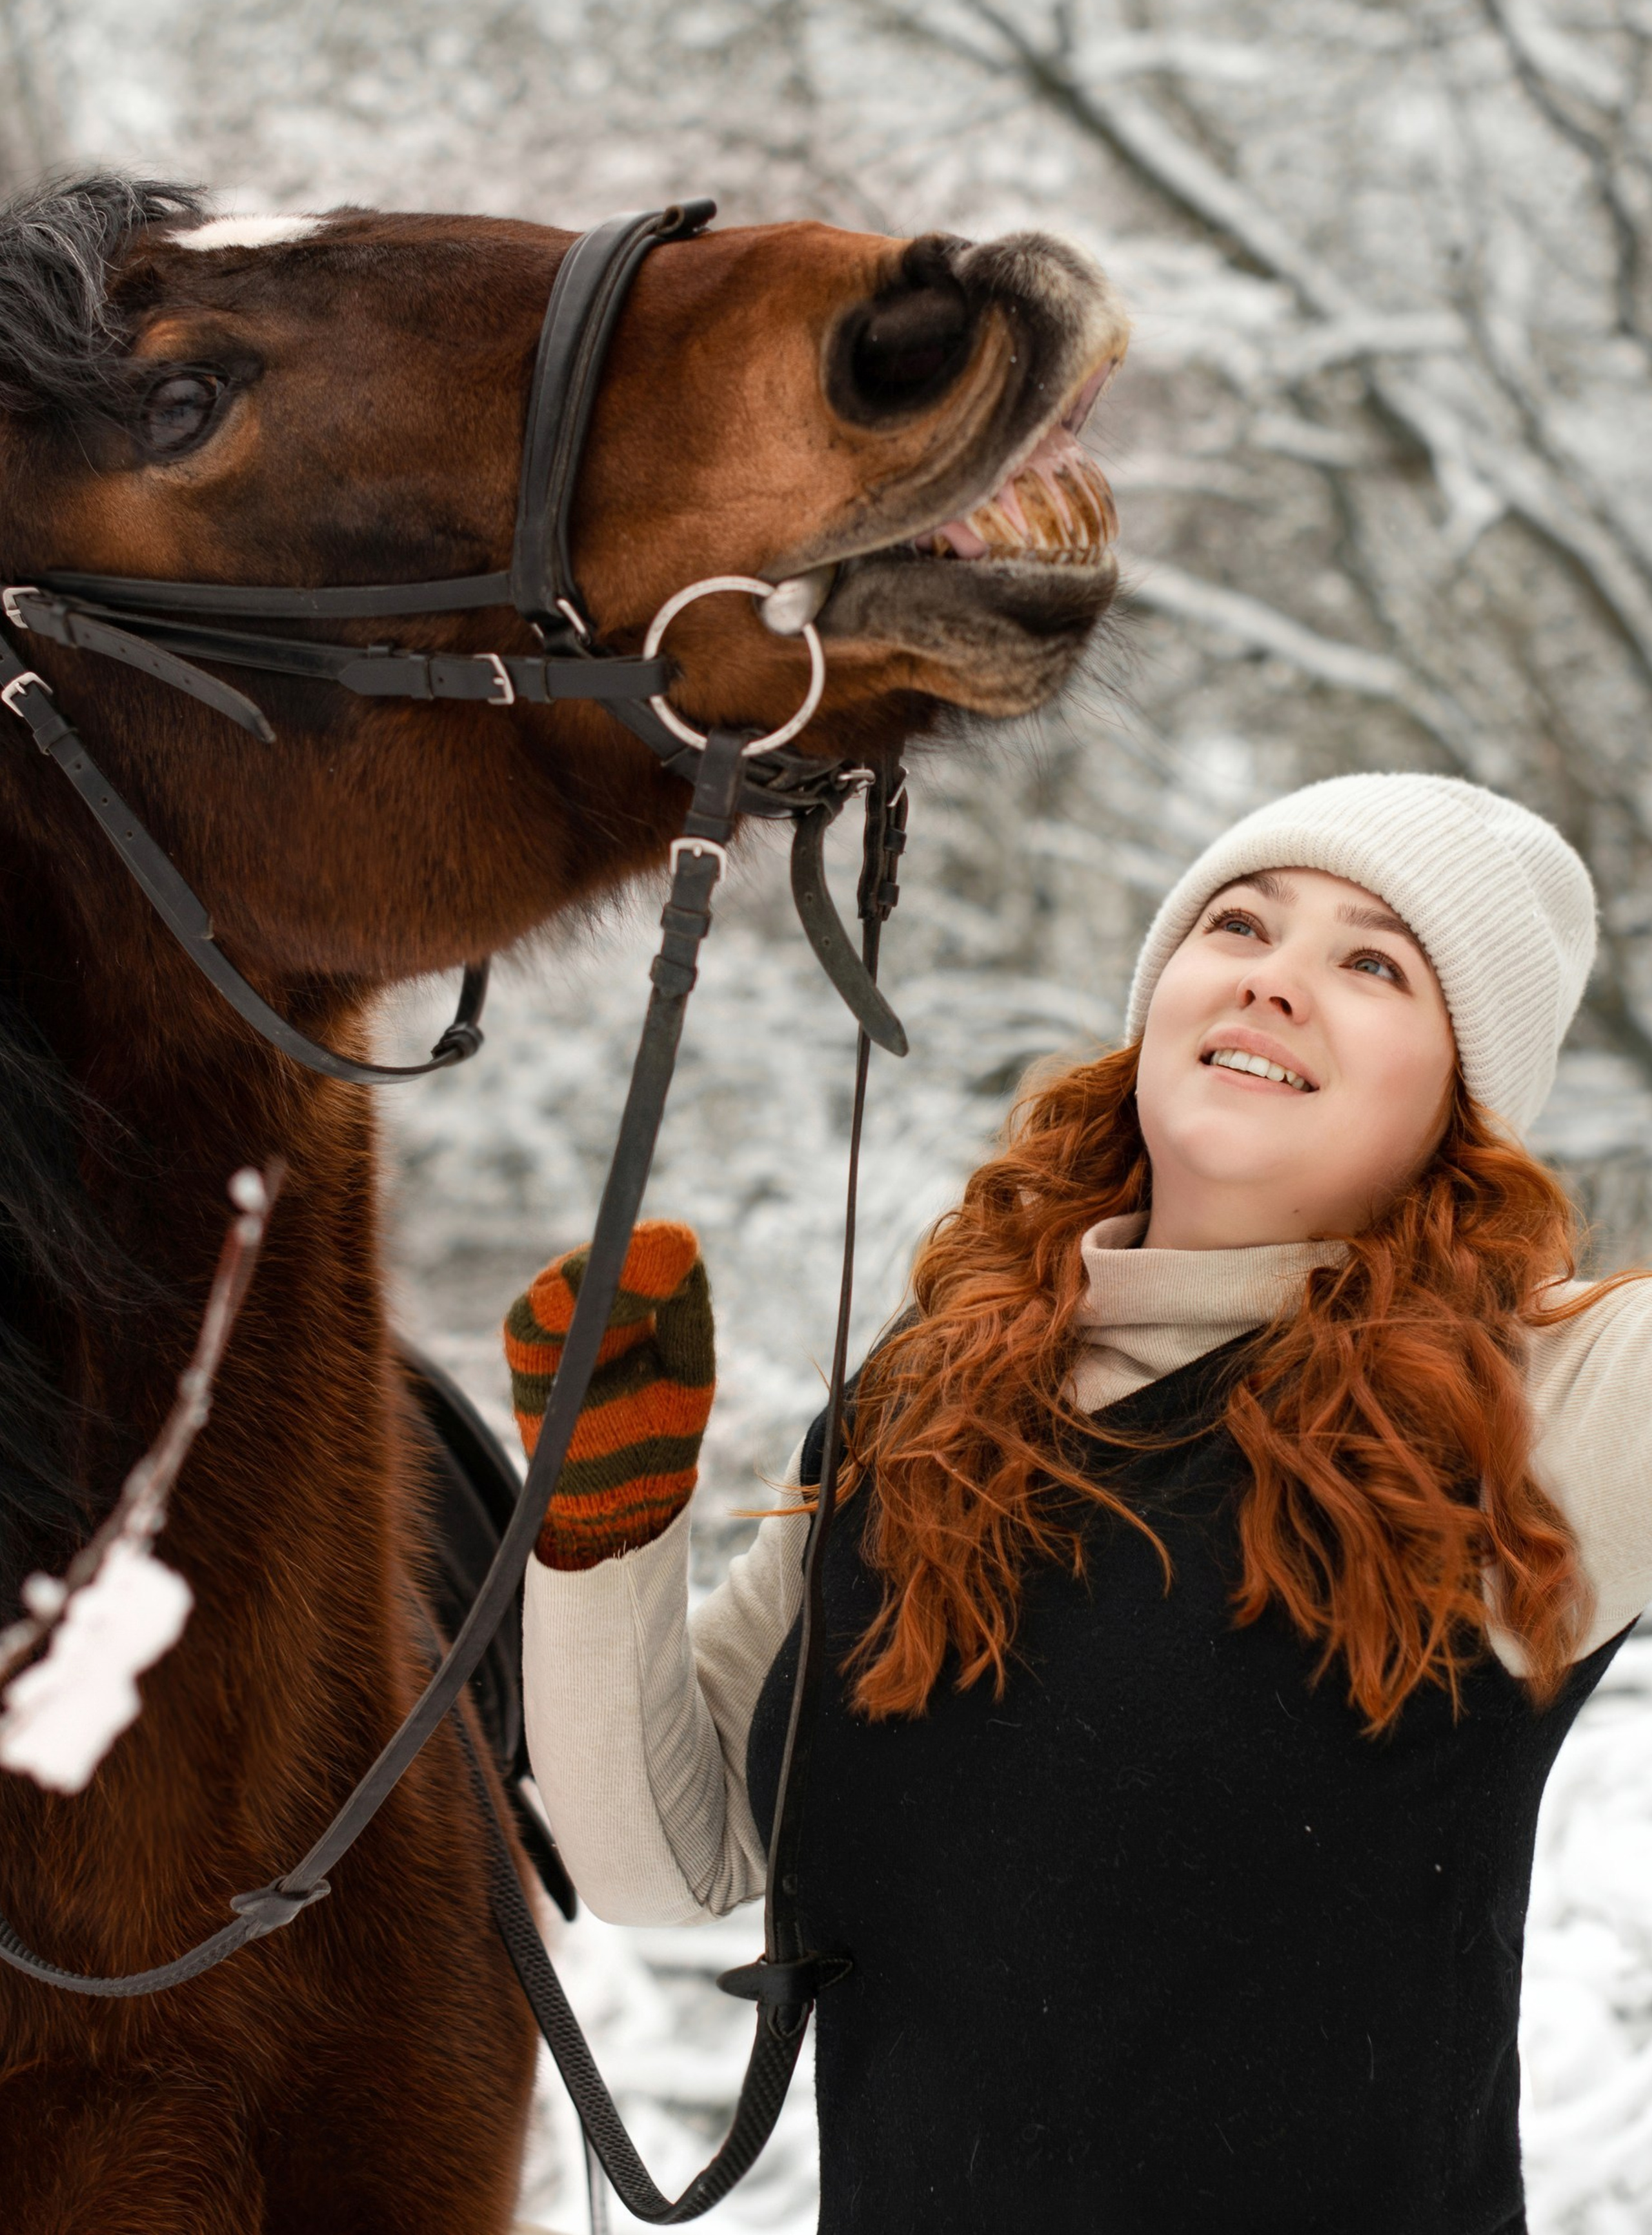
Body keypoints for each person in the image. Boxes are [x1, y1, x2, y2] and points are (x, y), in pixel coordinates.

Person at [508, 771, 1652, 2235]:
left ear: (1460, 1101)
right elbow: (665, 1860)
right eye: (1237, 924)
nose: (1273, 982)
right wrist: (600, 1531)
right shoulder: (924, 1408)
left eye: (1371, 964)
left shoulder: (1540, 1401)